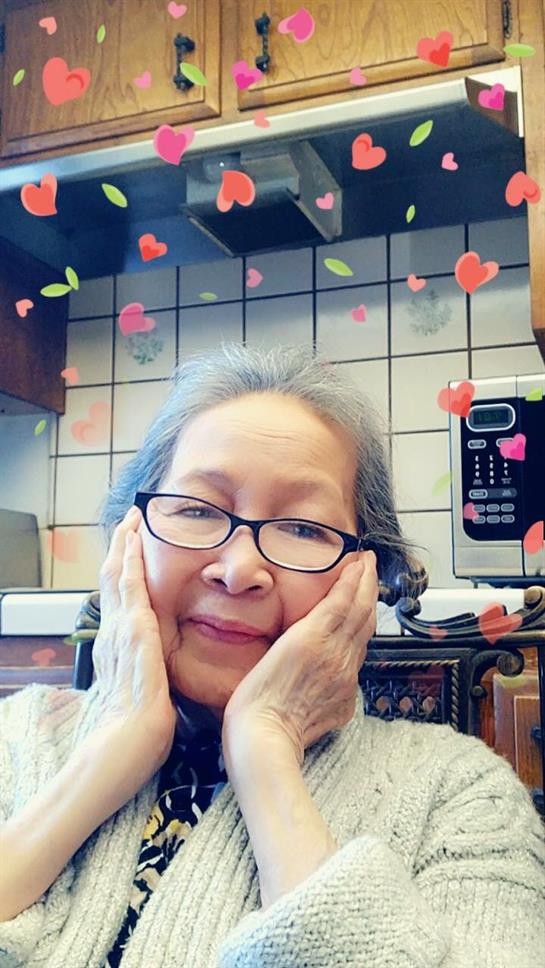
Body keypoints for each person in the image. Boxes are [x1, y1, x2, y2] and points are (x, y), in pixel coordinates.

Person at [0, 342, 543, 968]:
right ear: (131, 539)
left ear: (365, 580)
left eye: (304, 528)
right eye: (197, 510)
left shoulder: (461, 799)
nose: (239, 571)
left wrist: (265, 746)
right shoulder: (16, 735)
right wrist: (112, 746)